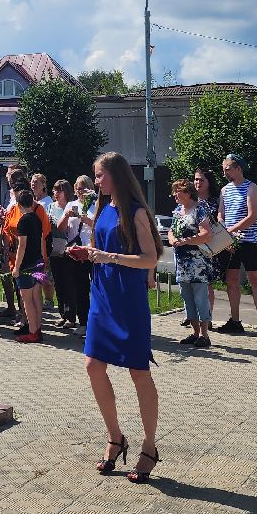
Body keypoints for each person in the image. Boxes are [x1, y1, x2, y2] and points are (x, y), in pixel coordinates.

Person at [75, 152, 162, 484]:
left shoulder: (136, 211)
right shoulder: (102, 209)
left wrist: (108, 256)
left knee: (139, 371)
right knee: (93, 365)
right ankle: (115, 437)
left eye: (100, 175)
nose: (96, 181)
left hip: (128, 299)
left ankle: (149, 446)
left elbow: (149, 258)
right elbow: (101, 249)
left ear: (117, 175)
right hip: (103, 295)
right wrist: (88, 254)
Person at [216, 154, 257, 337]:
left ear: (238, 168)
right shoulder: (225, 190)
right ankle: (235, 320)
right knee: (231, 280)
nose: (225, 173)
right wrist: (224, 231)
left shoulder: (251, 187)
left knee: (255, 280)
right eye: (223, 169)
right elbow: (220, 214)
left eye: (228, 169)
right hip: (230, 243)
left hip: (249, 241)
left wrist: (230, 230)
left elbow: (252, 216)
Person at [168, 178, 215, 348]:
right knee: (187, 298)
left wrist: (186, 241)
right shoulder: (177, 211)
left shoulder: (199, 210)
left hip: (197, 263)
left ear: (188, 193)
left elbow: (206, 234)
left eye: (178, 191)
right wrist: (172, 239)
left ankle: (204, 335)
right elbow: (171, 230)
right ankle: (195, 333)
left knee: (200, 298)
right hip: (181, 262)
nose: (175, 195)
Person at [54, 179, 92, 335]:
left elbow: (99, 226)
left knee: (95, 288)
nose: (80, 192)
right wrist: (66, 216)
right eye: (77, 188)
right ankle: (83, 322)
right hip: (75, 251)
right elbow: (60, 228)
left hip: (91, 251)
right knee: (79, 288)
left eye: (83, 188)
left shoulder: (95, 205)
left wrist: (86, 219)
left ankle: (96, 322)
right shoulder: (71, 204)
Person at [10, 189, 47, 343]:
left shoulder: (23, 221)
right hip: (37, 261)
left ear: (19, 205)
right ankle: (38, 328)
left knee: (27, 299)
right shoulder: (37, 219)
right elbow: (41, 240)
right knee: (37, 297)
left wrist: (16, 267)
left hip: (26, 264)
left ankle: (32, 331)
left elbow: (22, 246)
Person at [31, 173, 59, 312]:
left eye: (37, 182)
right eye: (32, 181)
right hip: (33, 241)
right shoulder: (32, 201)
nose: (33, 184)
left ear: (43, 185)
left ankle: (49, 300)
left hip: (45, 240)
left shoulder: (47, 202)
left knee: (46, 273)